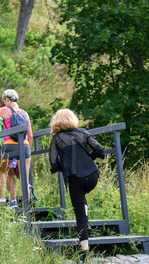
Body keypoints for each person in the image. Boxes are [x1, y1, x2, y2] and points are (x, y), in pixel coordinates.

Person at [49, 109, 105, 262]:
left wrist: (65, 166)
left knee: (79, 214)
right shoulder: (83, 133)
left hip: (75, 179)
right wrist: (88, 159)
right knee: (82, 203)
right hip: (92, 175)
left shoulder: (57, 139)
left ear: (56, 122)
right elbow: (100, 150)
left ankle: (84, 254)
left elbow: (53, 164)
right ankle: (86, 222)